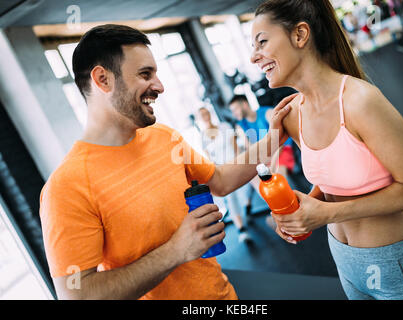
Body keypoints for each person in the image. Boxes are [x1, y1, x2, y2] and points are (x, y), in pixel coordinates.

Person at [39, 24, 295, 300]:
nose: (159, 86)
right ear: (103, 79)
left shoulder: (163, 137)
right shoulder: (66, 188)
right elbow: (76, 294)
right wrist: (176, 250)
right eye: (145, 74)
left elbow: (220, 180)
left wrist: (275, 136)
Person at [250, 0, 403, 300]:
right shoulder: (290, 114)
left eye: (262, 42)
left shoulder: (360, 101)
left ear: (300, 35)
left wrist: (326, 213)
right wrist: (299, 210)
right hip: (343, 259)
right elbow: (334, 175)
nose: (253, 57)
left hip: (396, 264)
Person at [228, 94, 296, 224]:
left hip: (281, 150)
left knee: (277, 176)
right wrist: (263, 164)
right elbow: (252, 150)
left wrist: (271, 163)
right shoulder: (241, 125)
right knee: (254, 177)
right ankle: (278, 211)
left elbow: (280, 141)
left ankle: (289, 210)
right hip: (264, 157)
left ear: (245, 104)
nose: (234, 113)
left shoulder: (267, 113)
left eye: (235, 109)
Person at [197, 106, 252, 243]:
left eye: (206, 113)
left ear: (210, 114)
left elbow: (236, 147)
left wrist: (240, 163)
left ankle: (247, 206)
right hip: (222, 171)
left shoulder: (224, 126)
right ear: (199, 119)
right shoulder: (203, 137)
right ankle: (241, 230)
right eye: (202, 115)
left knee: (248, 190)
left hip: (235, 164)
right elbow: (209, 159)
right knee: (231, 198)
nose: (205, 116)